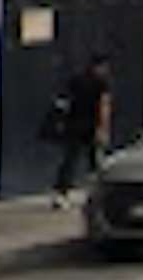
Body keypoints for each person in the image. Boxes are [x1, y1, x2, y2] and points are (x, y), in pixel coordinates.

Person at [48, 55, 113, 202]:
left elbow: (64, 101)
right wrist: (103, 129)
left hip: (74, 124)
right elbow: (104, 107)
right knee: (94, 161)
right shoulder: (102, 83)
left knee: (70, 159)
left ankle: (60, 192)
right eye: (105, 67)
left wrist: (61, 121)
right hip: (91, 126)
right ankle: (97, 193)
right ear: (100, 67)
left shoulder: (76, 80)